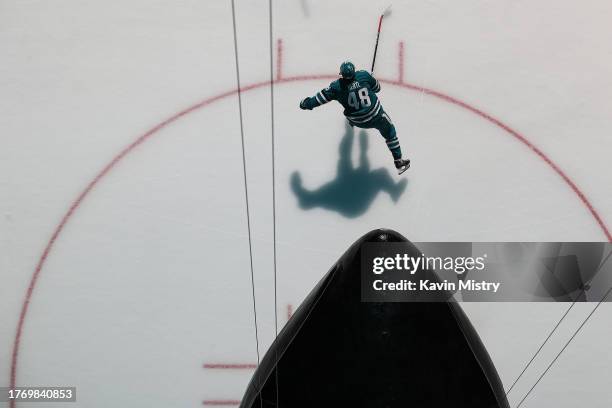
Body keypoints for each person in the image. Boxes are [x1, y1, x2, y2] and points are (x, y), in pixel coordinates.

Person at [299, 60, 410, 174]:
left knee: (352, 115)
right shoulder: (363, 75)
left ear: (341, 74)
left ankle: (351, 124)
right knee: (390, 132)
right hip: (376, 116)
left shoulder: (336, 87)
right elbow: (377, 88)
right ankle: (398, 160)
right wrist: (370, 80)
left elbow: (319, 99)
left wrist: (305, 104)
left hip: (358, 121)